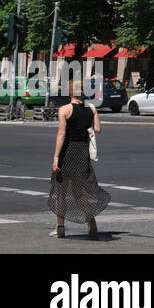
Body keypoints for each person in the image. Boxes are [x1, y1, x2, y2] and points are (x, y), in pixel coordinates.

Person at [48, 81, 110, 240]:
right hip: (82, 153)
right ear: (83, 93)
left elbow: (61, 134)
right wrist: (95, 113)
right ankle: (92, 222)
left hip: (67, 153)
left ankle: (60, 227)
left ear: (70, 93)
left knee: (60, 192)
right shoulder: (90, 109)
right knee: (78, 192)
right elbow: (98, 129)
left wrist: (56, 157)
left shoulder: (64, 110)